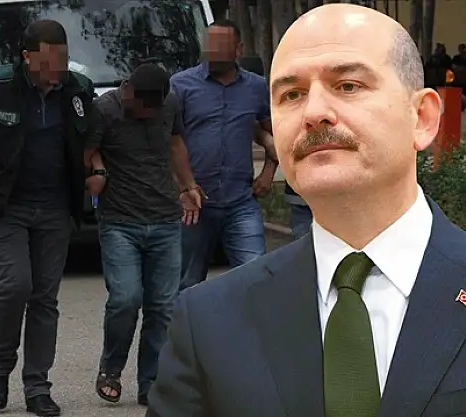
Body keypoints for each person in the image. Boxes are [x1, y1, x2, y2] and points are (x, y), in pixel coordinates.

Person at [148, 4, 461, 416]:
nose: (313, 113)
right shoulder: (207, 321)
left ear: (421, 118)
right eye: (291, 95)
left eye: (347, 85)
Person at [0, 19, 94, 417]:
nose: (57, 69)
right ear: (27, 58)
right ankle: (0, 368)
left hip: (55, 207)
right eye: (48, 61)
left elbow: (91, 135)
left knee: (45, 297)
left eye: (62, 59)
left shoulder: (78, 89)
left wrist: (96, 169)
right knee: (15, 285)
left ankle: (37, 387)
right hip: (2, 203)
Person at [83, 63, 202, 407]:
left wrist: (188, 186)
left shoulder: (170, 104)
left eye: (151, 108)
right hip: (120, 220)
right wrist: (98, 171)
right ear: (129, 89)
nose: (144, 112)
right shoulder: (105, 109)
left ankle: (151, 381)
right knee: (125, 298)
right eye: (137, 102)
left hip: (165, 218)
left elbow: (176, 144)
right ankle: (110, 369)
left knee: (162, 307)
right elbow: (86, 151)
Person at [170, 19, 279, 290]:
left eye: (220, 45)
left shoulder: (256, 87)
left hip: (240, 201)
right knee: (187, 284)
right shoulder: (181, 85)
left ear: (238, 49)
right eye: (209, 44)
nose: (212, 51)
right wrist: (182, 188)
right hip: (195, 203)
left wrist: (269, 172)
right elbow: (169, 142)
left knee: (256, 277)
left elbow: (276, 134)